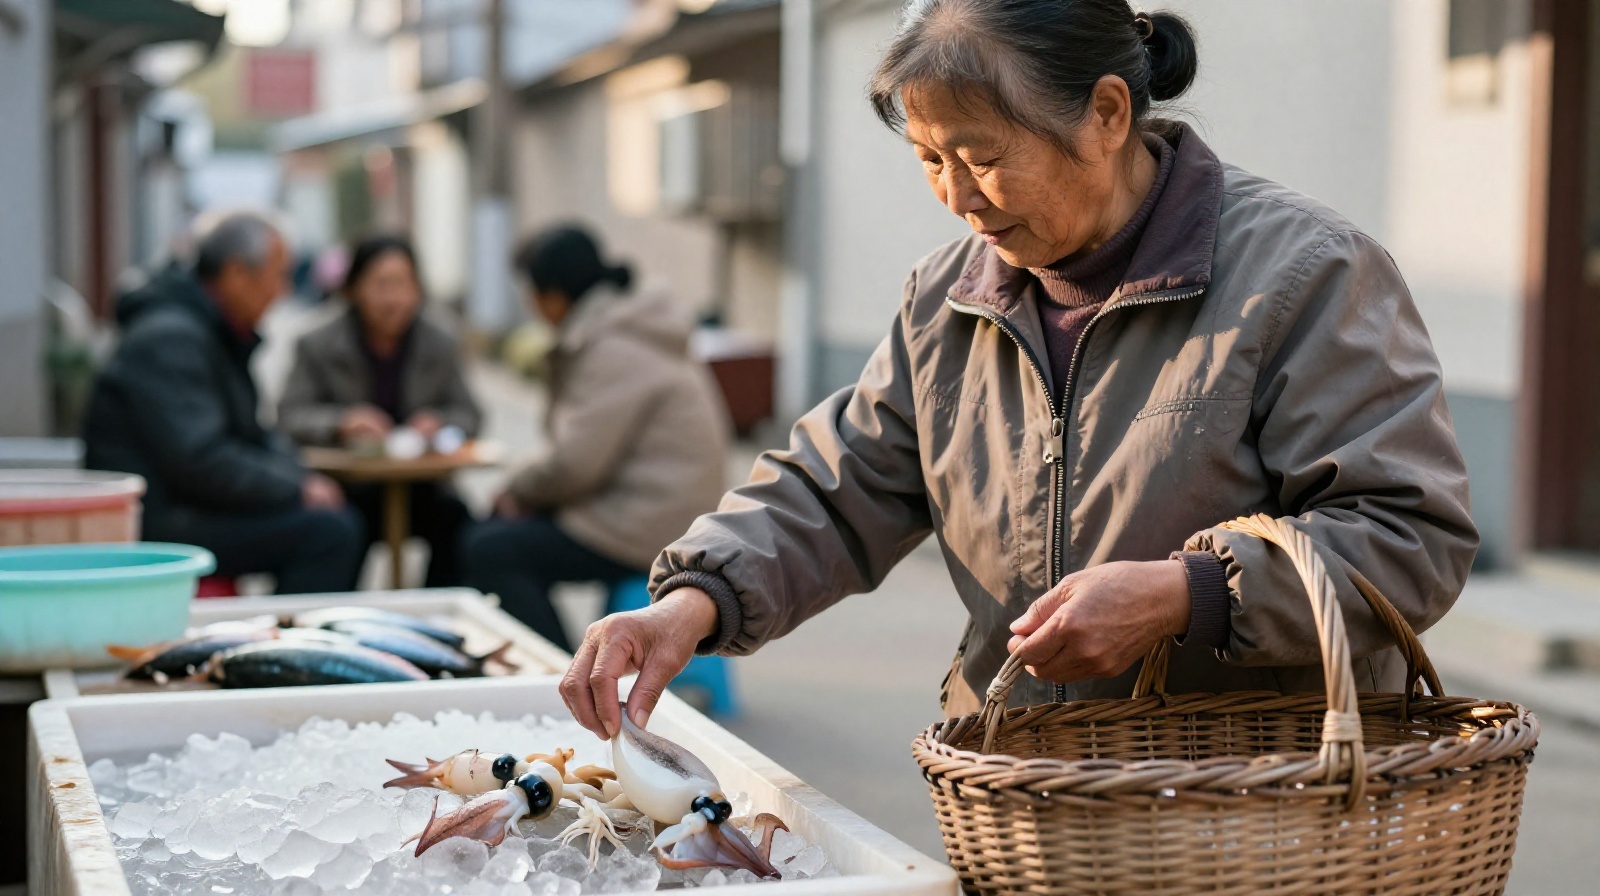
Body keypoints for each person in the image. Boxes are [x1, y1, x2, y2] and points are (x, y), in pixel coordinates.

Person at [563, 0, 1480, 739]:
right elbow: (838, 488)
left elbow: (1409, 536)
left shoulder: (1302, 273)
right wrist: (692, 599)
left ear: (1108, 113)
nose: (959, 199)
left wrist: (1186, 595)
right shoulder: (950, 298)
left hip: (1251, 806)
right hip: (1026, 797)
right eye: (930, 160)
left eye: (983, 158)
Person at [461, 226, 731, 652]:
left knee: (490, 547)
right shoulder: (628, 327)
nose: (530, 305)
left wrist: (515, 487)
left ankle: (564, 678)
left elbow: (575, 464)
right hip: (659, 511)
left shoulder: (613, 346)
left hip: (653, 525)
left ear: (552, 295)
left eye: (531, 293)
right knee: (495, 535)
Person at [83, 210, 366, 594]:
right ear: (236, 274)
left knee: (336, 516)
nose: (283, 291)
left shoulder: (209, 330)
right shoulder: (171, 338)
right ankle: (293, 649)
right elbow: (200, 460)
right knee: (331, 533)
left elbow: (250, 433)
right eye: (278, 274)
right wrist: (294, 488)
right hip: (161, 520)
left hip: (191, 504)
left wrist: (299, 477)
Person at [278, 236, 482, 587]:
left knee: (459, 523)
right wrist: (341, 423)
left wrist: (439, 423)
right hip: (349, 483)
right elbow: (289, 415)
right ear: (354, 288)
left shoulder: (442, 339)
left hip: (423, 482)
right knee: (335, 530)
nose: (394, 299)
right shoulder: (317, 341)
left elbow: (469, 413)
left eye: (404, 284)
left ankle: (436, 619)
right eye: (381, 284)